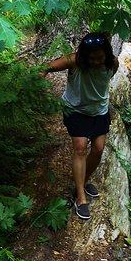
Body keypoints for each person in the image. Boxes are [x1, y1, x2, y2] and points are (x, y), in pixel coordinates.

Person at [41, 32, 119, 220]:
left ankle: (82, 182)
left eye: (100, 57)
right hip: (75, 110)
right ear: (84, 56)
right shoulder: (74, 61)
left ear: (106, 55)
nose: (96, 62)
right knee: (81, 149)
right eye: (92, 58)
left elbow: (104, 81)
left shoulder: (112, 63)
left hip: (99, 110)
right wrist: (38, 79)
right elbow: (46, 67)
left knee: (99, 149)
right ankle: (81, 198)